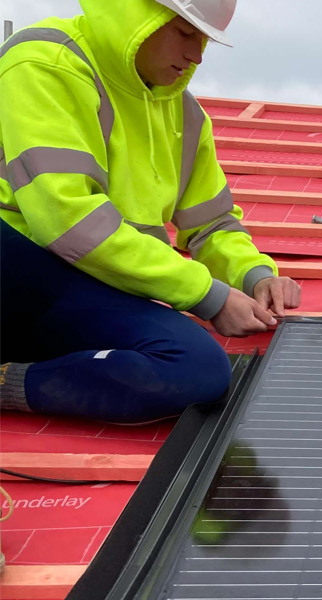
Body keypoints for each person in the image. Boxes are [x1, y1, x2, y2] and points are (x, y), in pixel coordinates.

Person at [0, 0, 301, 423]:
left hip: (91, 286)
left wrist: (254, 275)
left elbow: (211, 223)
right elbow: (68, 221)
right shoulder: (44, 61)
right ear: (138, 16)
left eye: (205, 40)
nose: (196, 54)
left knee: (197, 369)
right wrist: (207, 296)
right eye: (184, 32)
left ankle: (10, 378)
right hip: (22, 268)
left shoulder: (184, 114)